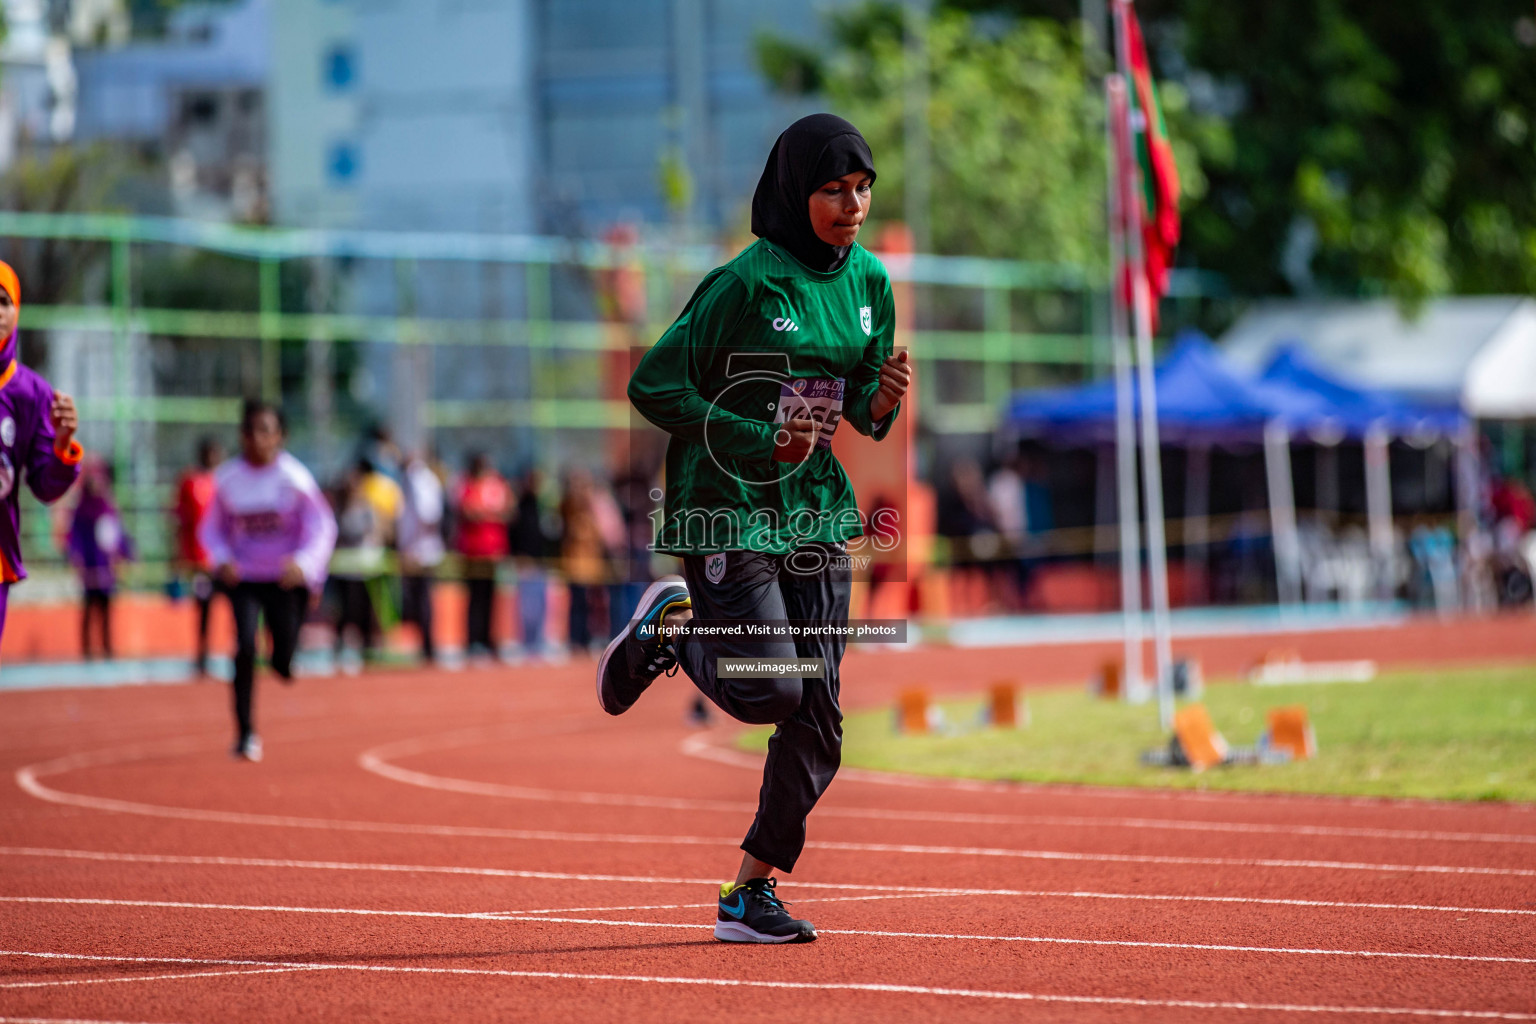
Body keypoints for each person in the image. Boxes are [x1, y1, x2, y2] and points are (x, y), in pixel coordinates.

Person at [603, 114, 911, 943]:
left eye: (862, 189)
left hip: (812, 508)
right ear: (793, 191)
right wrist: (751, 435)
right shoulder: (742, 285)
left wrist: (877, 406)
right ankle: (671, 625)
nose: (853, 205)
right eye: (833, 190)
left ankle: (748, 894)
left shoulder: (871, 285)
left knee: (820, 720)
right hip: (727, 504)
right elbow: (654, 386)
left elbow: (853, 407)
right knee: (770, 684)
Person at [200, 399, 337, 762]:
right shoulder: (228, 479)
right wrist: (223, 559)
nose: (258, 438)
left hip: (285, 579)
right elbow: (211, 529)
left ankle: (284, 660)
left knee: (282, 658)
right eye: (251, 430)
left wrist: (306, 563)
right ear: (242, 435)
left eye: (266, 430)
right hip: (244, 577)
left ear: (280, 435)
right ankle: (245, 733)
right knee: (245, 647)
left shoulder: (295, 478)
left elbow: (322, 526)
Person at [0, 260, 84, 656]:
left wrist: (63, 445)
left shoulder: (31, 393)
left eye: (3, 301)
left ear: (17, 312)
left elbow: (45, 487)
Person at [67, 461, 133, 660]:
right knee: (89, 607)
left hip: (106, 566)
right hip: (89, 564)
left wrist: (126, 553)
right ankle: (86, 649)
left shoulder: (108, 507)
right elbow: (74, 537)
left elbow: (118, 533)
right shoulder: (81, 510)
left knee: (106, 609)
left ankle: (107, 647)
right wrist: (76, 557)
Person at [173, 437, 223, 675]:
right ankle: (202, 656)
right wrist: (179, 553)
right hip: (200, 561)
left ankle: (246, 652)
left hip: (225, 561)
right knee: (203, 608)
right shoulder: (190, 482)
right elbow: (180, 520)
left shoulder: (225, 481)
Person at [455, 453, 511, 659]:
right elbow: (468, 511)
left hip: (494, 552)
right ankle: (473, 641)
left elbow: (508, 510)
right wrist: (489, 513)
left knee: (491, 599)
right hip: (473, 552)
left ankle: (488, 640)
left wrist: (486, 513)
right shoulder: (467, 485)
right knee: (475, 598)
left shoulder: (496, 484)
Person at [328, 465, 385, 664]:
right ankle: (341, 644)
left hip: (364, 567)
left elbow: (376, 531)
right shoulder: (339, 509)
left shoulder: (367, 507)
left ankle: (367, 645)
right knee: (343, 608)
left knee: (365, 608)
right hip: (344, 567)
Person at [398, 450, 446, 663]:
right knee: (419, 599)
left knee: (422, 598)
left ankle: (427, 646)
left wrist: (413, 547)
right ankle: (424, 645)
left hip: (421, 550)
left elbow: (427, 514)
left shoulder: (419, 479)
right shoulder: (414, 478)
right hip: (418, 548)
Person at [508, 467, 554, 658]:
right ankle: (526, 643)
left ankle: (538, 642)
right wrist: (517, 555)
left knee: (542, 606)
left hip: (541, 561)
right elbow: (514, 532)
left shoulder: (543, 506)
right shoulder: (520, 506)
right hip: (525, 561)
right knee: (527, 608)